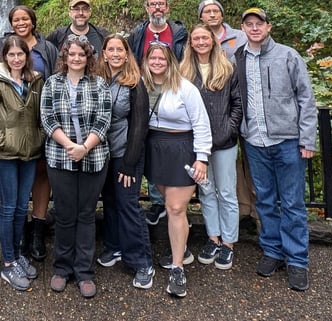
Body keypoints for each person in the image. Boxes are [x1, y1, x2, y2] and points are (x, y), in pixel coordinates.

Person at [235, 8, 317, 291]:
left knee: (293, 202)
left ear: (268, 27)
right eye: (249, 24)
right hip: (255, 142)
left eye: (259, 24)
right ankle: (272, 250)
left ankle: (297, 260)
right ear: (242, 28)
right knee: (266, 201)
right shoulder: (238, 58)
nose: (254, 28)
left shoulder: (287, 55)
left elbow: (306, 98)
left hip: (287, 141)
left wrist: (308, 140)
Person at [41, 35, 111, 299]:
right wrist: (71, 146)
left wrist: (85, 147)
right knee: (64, 213)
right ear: (65, 56)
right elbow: (47, 118)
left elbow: (104, 119)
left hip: (93, 157)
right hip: (60, 157)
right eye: (72, 54)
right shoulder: (52, 83)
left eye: (81, 54)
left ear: (88, 57)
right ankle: (61, 269)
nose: (76, 58)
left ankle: (84, 271)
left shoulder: (99, 84)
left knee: (86, 213)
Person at [142, 42, 211, 298]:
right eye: (153, 58)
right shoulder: (142, 84)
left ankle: (178, 267)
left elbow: (201, 123)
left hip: (182, 148)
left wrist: (201, 157)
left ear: (170, 61)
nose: (157, 62)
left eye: (162, 58)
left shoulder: (185, 88)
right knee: (170, 205)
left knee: (175, 207)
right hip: (154, 150)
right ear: (147, 61)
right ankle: (181, 248)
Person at [0, 35, 44, 291]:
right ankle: (8, 263)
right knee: (7, 208)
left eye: (21, 54)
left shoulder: (35, 80)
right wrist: (1, 140)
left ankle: (18, 254)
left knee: (20, 207)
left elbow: (41, 114)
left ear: (27, 56)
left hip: (30, 152)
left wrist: (39, 139)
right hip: (6, 154)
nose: (16, 59)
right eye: (11, 55)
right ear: (4, 57)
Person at [0, 5, 58, 260]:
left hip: (40, 122)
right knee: (16, 182)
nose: (21, 23)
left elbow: (53, 79)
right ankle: (17, 238)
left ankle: (38, 231)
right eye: (16, 20)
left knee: (42, 174)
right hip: (11, 129)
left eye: (25, 19)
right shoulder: (2, 44)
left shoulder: (47, 47)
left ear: (33, 21)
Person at [180, 23, 243, 270]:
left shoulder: (227, 68)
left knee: (226, 191)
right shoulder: (184, 70)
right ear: (191, 43)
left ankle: (228, 242)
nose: (201, 42)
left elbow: (237, 104)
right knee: (206, 190)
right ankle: (213, 237)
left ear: (212, 40)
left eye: (205, 37)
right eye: (196, 38)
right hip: (197, 143)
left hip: (224, 141)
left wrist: (229, 128)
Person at [96, 34, 155, 289]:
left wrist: (130, 163)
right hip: (102, 153)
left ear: (127, 53)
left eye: (120, 49)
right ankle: (114, 246)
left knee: (128, 203)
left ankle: (142, 262)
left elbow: (140, 124)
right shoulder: (99, 79)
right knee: (109, 201)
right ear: (105, 53)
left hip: (125, 154)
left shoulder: (134, 83)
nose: (116, 54)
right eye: (111, 49)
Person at [127, 0, 188, 226]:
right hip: (145, 89)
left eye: (161, 4)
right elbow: (131, 59)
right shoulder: (139, 33)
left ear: (168, 7)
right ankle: (155, 201)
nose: (157, 9)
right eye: (153, 5)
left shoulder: (179, 33)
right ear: (146, 8)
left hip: (173, 87)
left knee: (167, 143)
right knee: (147, 141)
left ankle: (170, 200)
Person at [197, 0, 256, 230]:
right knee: (215, 183)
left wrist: (231, 125)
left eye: (215, 11)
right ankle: (241, 212)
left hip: (241, 107)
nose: (212, 15)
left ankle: (256, 215)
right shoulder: (198, 39)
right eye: (207, 12)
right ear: (201, 17)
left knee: (249, 166)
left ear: (222, 15)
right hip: (214, 121)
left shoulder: (239, 37)